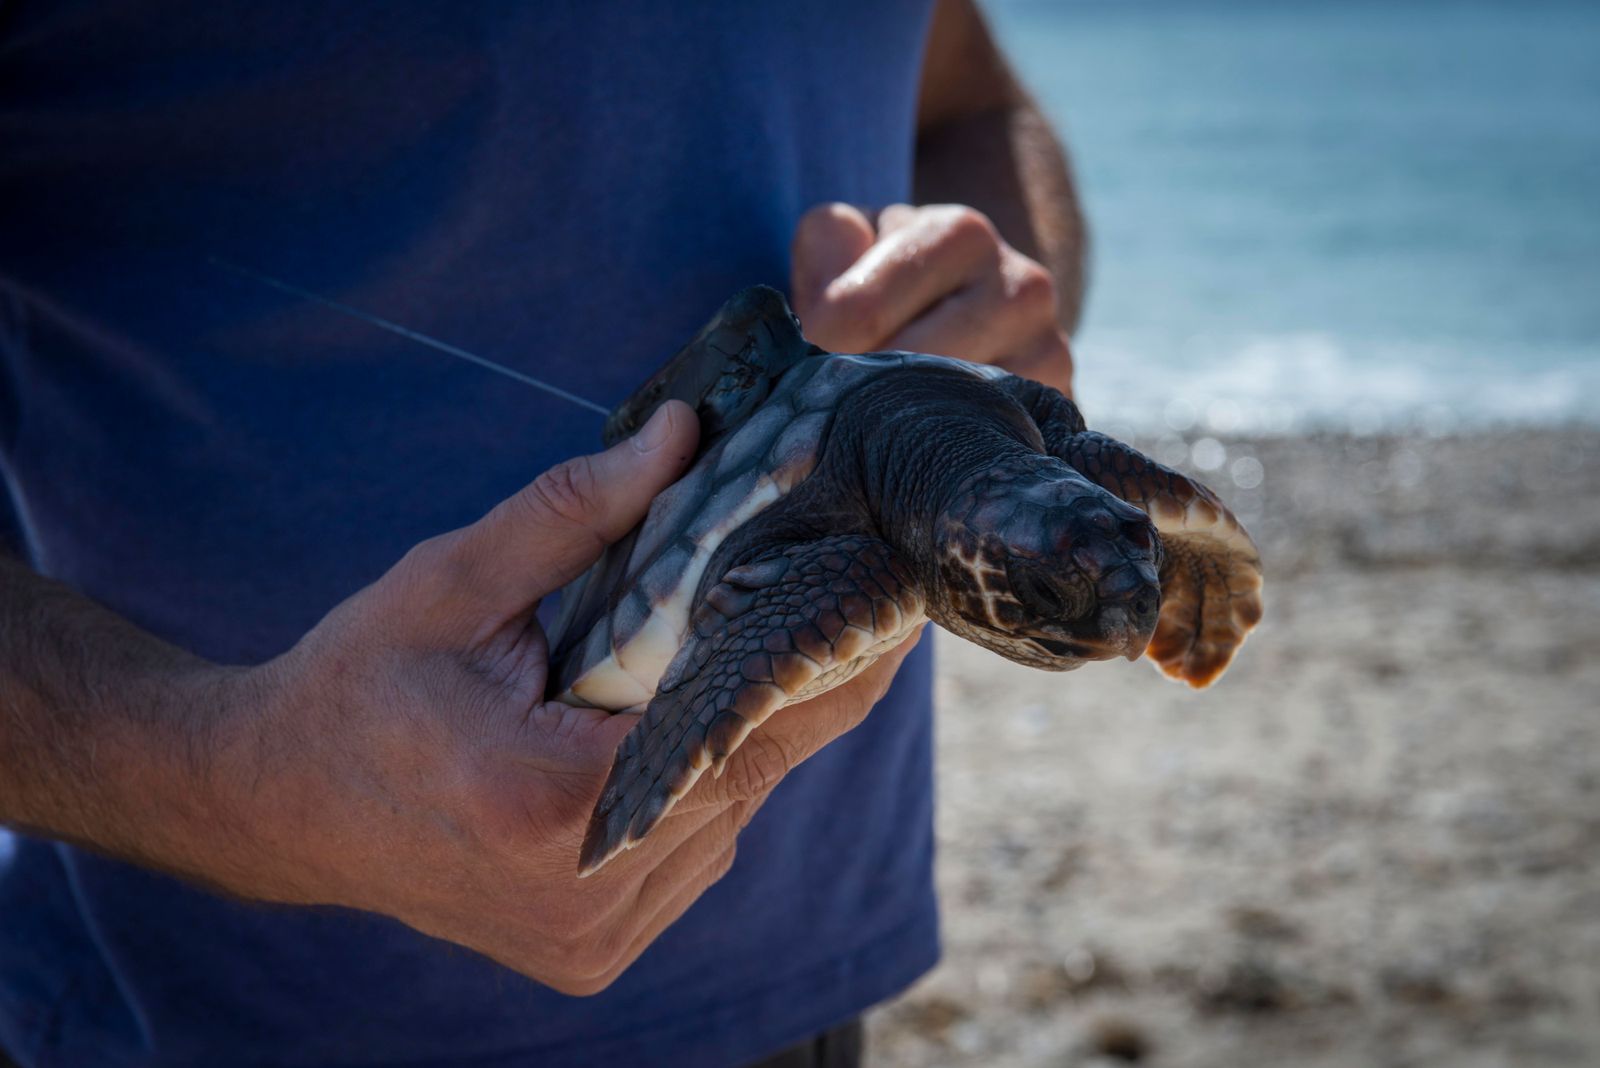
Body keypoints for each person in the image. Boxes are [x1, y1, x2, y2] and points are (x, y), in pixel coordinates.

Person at [0, 1, 1084, 1064]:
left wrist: (991, 318)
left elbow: (971, 106)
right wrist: (234, 779)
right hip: (237, 1008)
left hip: (805, 968)